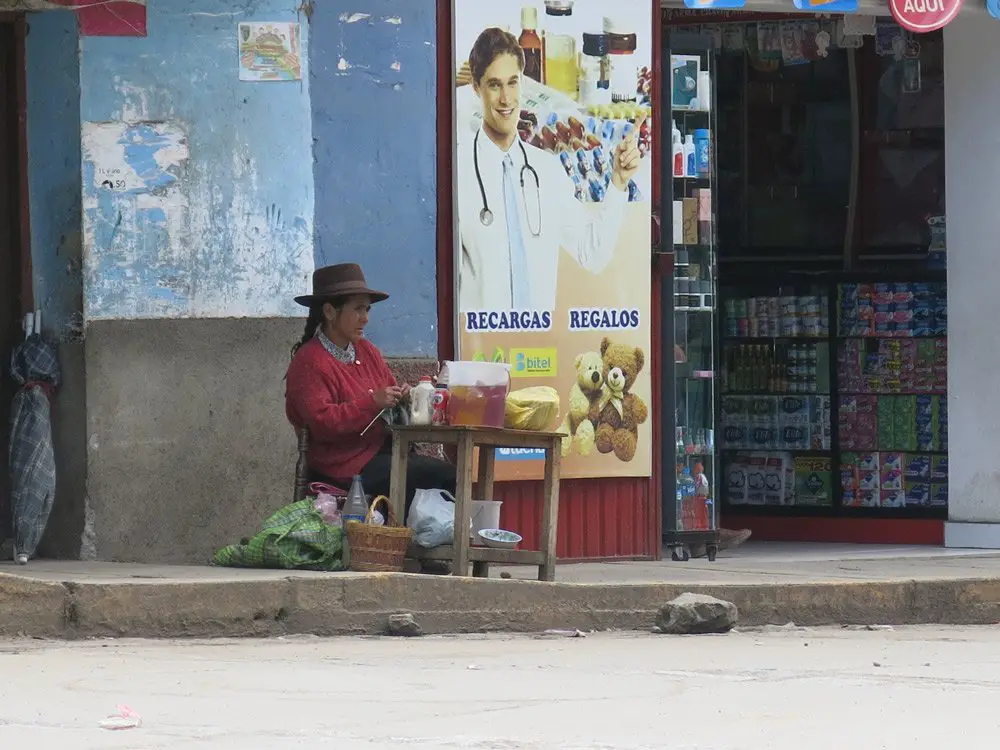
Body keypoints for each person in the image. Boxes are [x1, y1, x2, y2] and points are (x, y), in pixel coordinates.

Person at [457, 27, 642, 314]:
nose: (506, 99)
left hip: (539, 351)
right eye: (494, 85)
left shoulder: (546, 170)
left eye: (513, 83)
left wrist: (617, 182)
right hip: (479, 349)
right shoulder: (458, 171)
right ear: (477, 89)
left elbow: (591, 253)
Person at [285, 263, 456, 523]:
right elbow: (322, 423)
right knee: (440, 475)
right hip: (344, 467)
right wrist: (372, 402)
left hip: (381, 457)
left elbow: (387, 393)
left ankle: (426, 546)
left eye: (367, 309)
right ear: (330, 311)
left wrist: (402, 397)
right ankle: (417, 547)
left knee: (444, 474)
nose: (365, 318)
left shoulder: (367, 351)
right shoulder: (309, 361)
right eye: (357, 309)